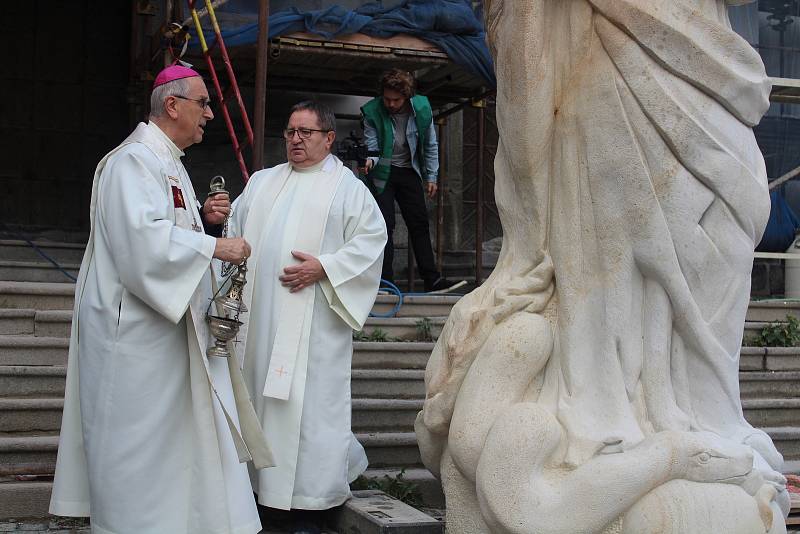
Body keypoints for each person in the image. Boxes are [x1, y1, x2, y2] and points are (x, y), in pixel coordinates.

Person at [49, 65, 273, 534]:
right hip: (133, 343)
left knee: (171, 452)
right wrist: (216, 246)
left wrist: (205, 230)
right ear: (172, 105)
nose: (210, 114)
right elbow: (142, 244)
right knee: (138, 453)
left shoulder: (168, 161)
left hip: (164, 338)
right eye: (204, 103)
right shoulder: (132, 161)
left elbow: (169, 235)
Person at [228, 100, 387, 533]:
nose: (296, 140)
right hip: (259, 324)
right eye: (290, 132)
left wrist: (325, 267)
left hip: (315, 325)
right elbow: (233, 236)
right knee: (259, 401)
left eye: (306, 133)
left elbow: (371, 243)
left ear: (329, 138)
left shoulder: (347, 189)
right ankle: (259, 496)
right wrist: (215, 219)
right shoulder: (262, 182)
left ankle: (311, 504)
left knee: (310, 410)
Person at [362, 69, 455, 292]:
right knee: (384, 226)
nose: (391, 104)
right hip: (382, 173)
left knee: (419, 224)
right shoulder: (372, 112)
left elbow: (431, 144)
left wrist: (431, 176)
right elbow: (371, 146)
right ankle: (386, 282)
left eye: (396, 100)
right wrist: (369, 161)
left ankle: (432, 280)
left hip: (409, 171)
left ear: (407, 97)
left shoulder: (422, 110)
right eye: (387, 99)